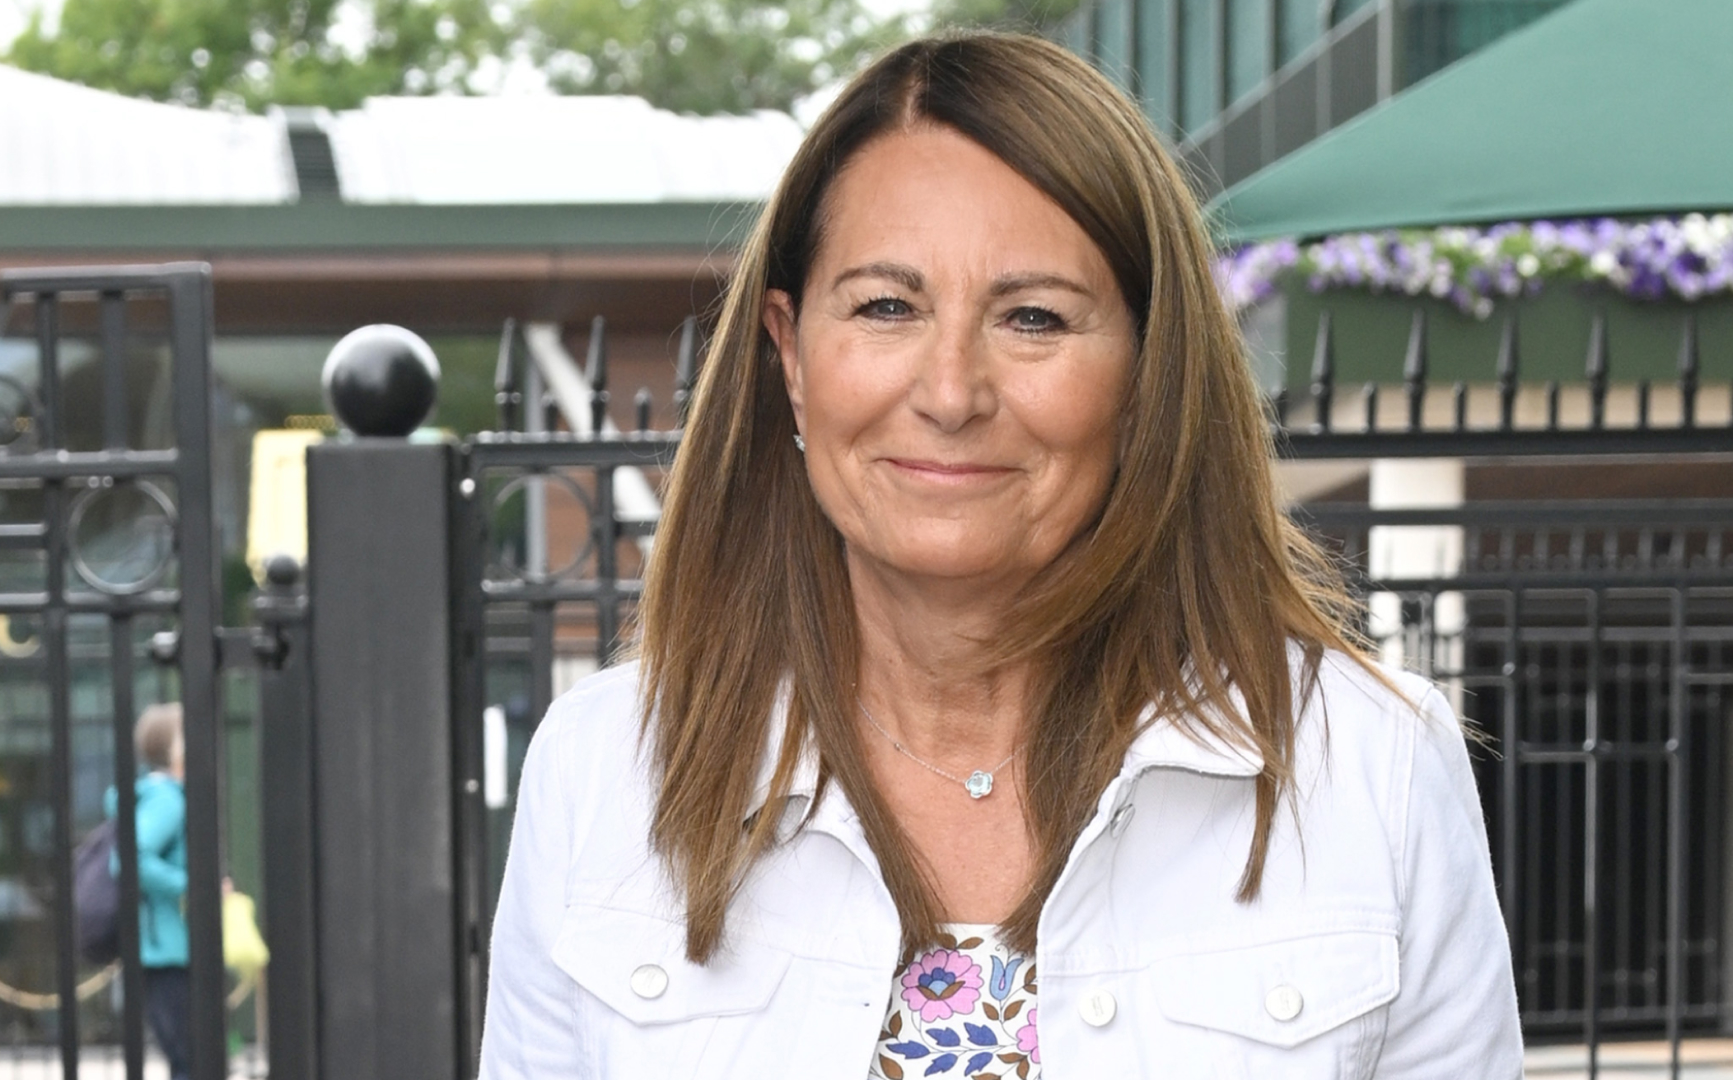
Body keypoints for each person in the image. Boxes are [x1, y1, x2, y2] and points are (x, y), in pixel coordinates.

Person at [479, 30, 1523, 1079]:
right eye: (887, 307)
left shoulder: (1371, 768)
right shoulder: (607, 771)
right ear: (791, 356)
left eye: (1033, 318)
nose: (949, 392)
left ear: (1150, 370)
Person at [104, 703, 190, 1079]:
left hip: (161, 946)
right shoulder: (167, 798)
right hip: (167, 949)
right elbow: (129, 856)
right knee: (191, 1056)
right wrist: (190, 885)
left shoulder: (161, 795)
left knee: (187, 1056)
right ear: (171, 746)